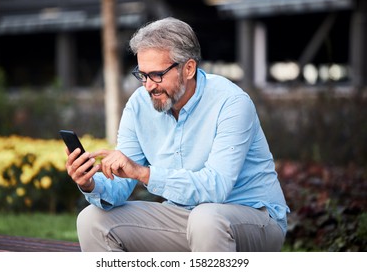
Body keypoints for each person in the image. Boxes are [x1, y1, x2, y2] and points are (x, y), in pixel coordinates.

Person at [65, 17, 289, 252]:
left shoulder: (231, 102)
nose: (149, 86)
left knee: (206, 218)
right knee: (92, 220)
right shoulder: (139, 105)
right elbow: (119, 187)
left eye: (157, 75)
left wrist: (143, 173)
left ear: (189, 68)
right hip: (186, 217)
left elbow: (217, 187)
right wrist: (90, 183)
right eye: (142, 75)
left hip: (256, 219)